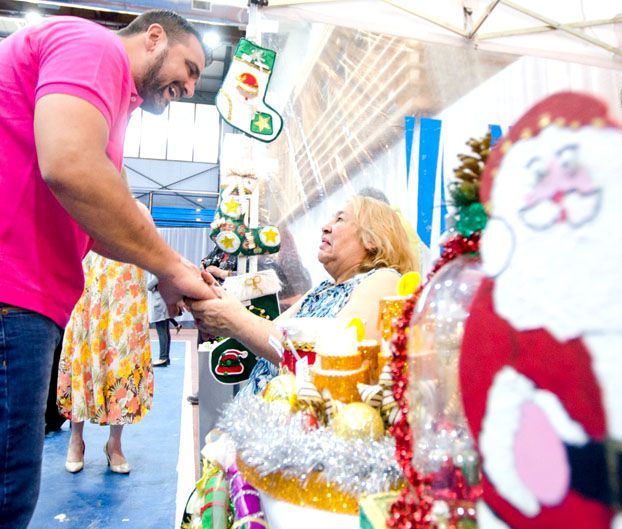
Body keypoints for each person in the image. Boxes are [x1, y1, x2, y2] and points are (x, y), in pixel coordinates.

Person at [0, 10, 216, 527]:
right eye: (188, 69)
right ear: (154, 37)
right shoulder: (93, 46)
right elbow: (70, 165)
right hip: (13, 292)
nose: (188, 87)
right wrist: (173, 268)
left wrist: (171, 270)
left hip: (30, 298)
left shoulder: (112, 107)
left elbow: (102, 224)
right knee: (9, 488)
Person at [189, 196, 418, 392]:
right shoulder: (324, 288)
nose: (325, 226)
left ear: (372, 238)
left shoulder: (384, 279)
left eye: (339, 219)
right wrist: (216, 299)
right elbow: (271, 335)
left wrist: (234, 319)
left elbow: (333, 359)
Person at [58, 205, 155, 475]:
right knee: (83, 351)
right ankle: (76, 438)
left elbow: (151, 244)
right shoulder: (81, 202)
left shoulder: (136, 209)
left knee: (121, 359)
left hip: (125, 289)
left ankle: (115, 443)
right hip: (88, 280)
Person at [148, 276, 181, 367]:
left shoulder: (158, 273)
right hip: (164, 302)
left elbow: (149, 286)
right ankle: (166, 358)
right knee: (166, 331)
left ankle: (163, 358)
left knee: (162, 332)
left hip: (160, 303)